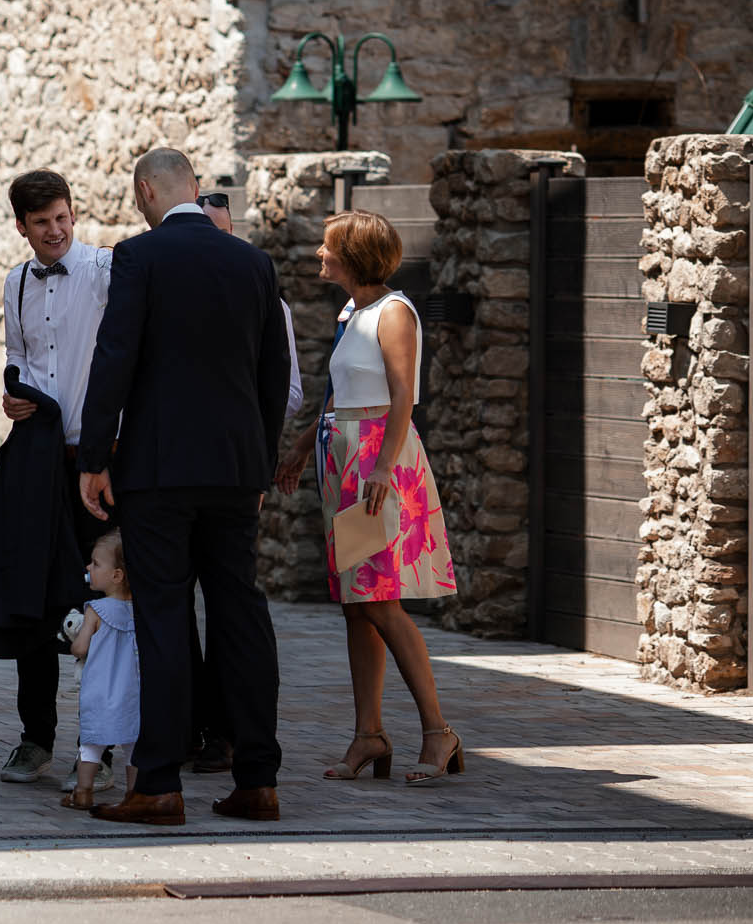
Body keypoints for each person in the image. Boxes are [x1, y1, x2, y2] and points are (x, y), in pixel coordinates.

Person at [76, 147, 292, 827]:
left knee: (164, 616)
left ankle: (160, 783)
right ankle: (258, 778)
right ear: (196, 189)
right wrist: (258, 465)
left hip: (160, 469)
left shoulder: (138, 258)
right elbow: (271, 372)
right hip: (234, 471)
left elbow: (115, 359)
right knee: (242, 614)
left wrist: (93, 457)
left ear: (147, 191)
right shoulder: (253, 263)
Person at [275, 210, 463, 786]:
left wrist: (382, 465)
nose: (318, 255)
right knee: (357, 603)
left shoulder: (394, 312)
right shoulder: (352, 312)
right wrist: (306, 443)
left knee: (380, 600)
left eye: (327, 247)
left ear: (352, 256)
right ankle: (369, 734)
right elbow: (343, 394)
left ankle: (438, 733)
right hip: (343, 458)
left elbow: (404, 394)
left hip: (378, 461)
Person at [0, 170, 117, 788]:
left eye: (62, 217)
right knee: (35, 601)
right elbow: (19, 356)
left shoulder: (105, 271)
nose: (56, 230)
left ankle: (105, 750)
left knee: (106, 603)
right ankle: (35, 737)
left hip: (100, 462)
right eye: (42, 223)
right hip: (39, 463)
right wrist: (13, 395)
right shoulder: (15, 282)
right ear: (22, 226)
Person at [179, 190, 305, 775]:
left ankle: (234, 735)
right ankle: (191, 727)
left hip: (234, 474)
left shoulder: (263, 296)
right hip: (175, 474)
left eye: (225, 235)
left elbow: (288, 388)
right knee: (175, 607)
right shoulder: (165, 286)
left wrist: (258, 459)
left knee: (233, 604)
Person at [62, 529, 141, 813]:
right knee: (133, 745)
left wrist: (73, 637)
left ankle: (83, 791)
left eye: (95, 564)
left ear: (117, 575)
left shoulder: (95, 610)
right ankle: (134, 794)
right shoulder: (141, 610)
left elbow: (81, 648)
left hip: (99, 690)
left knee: (92, 743)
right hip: (132, 691)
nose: (88, 568)